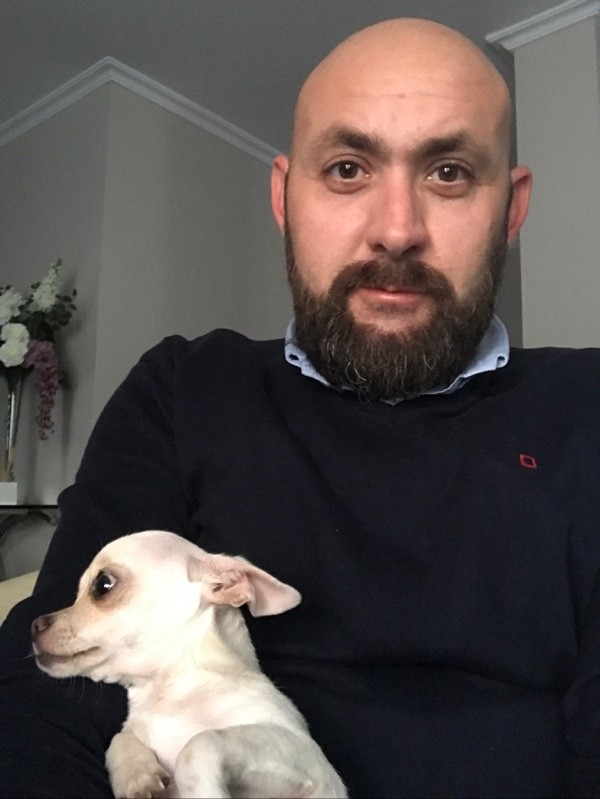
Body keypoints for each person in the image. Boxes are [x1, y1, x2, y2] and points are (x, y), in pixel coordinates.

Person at [0, 17, 599, 798]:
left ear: (511, 210)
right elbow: (51, 701)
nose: (396, 230)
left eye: (449, 173)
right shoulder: (182, 390)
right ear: (284, 196)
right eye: (348, 169)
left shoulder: (587, 407)